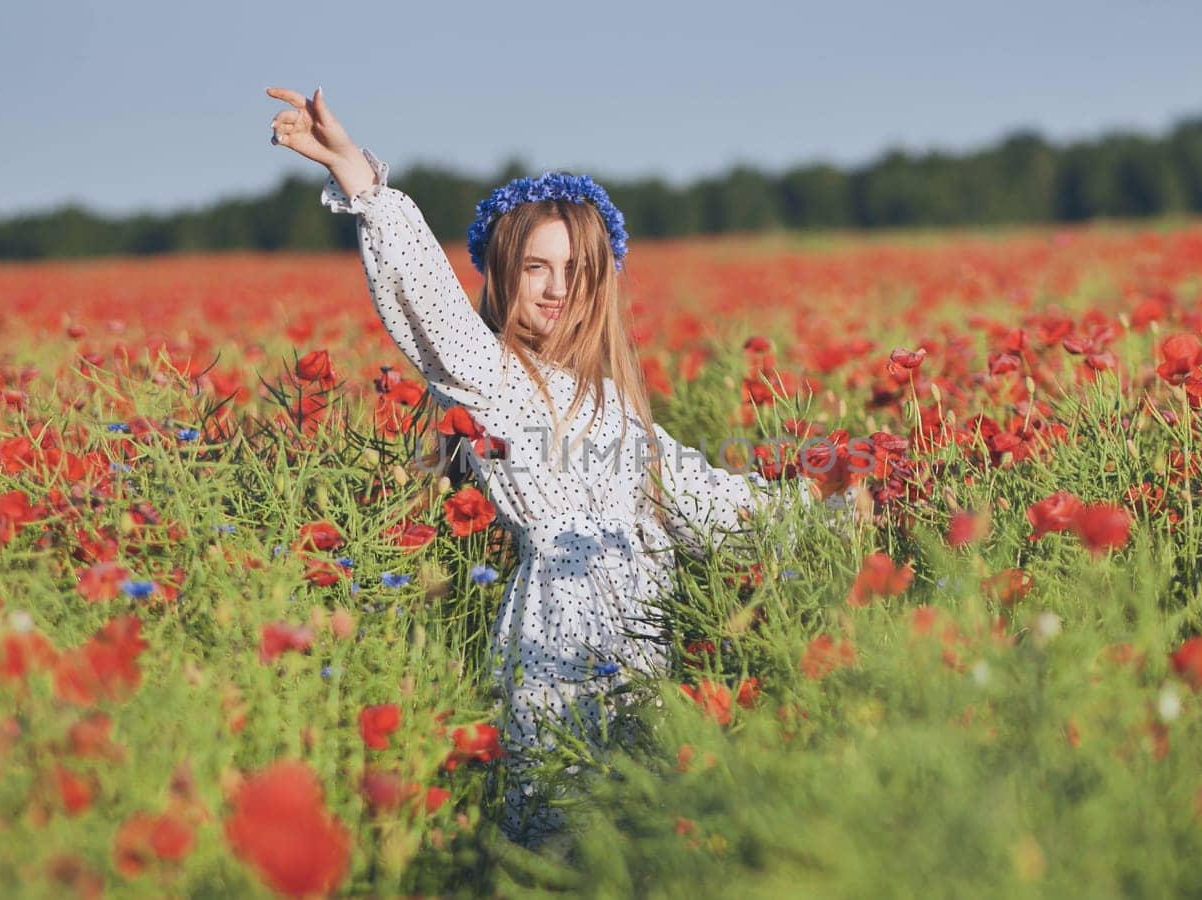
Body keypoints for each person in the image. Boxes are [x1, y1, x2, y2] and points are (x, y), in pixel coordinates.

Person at [265, 86, 860, 847]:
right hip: (559, 629)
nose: (556, 287)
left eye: (576, 267)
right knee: (564, 825)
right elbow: (432, 310)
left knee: (637, 830)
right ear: (502, 273)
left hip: (644, 631)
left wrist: (830, 508)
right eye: (536, 267)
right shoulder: (493, 377)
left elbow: (704, 498)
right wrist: (362, 183)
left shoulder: (615, 406)